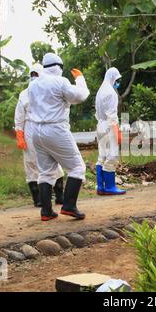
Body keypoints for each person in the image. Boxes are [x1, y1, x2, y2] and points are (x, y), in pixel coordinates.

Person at [27, 53, 90, 221]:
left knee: (46, 172)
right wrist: (80, 80)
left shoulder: (33, 85)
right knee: (77, 168)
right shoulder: (60, 82)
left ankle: (46, 211)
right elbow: (80, 96)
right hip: (55, 129)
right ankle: (69, 206)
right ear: (59, 67)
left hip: (36, 132)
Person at [14, 64, 65, 208]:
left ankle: (60, 196)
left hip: (47, 128)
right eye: (32, 74)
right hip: (29, 129)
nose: (34, 77)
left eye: (36, 74)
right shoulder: (24, 94)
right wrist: (19, 135)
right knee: (31, 164)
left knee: (53, 161)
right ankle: (39, 200)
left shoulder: (49, 90)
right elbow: (19, 116)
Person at [95, 67, 125, 195]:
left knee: (102, 155)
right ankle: (110, 187)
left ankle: (100, 187)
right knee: (112, 155)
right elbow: (112, 116)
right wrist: (117, 132)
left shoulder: (100, 90)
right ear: (113, 78)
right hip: (109, 125)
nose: (118, 83)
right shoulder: (111, 93)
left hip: (100, 124)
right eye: (117, 80)